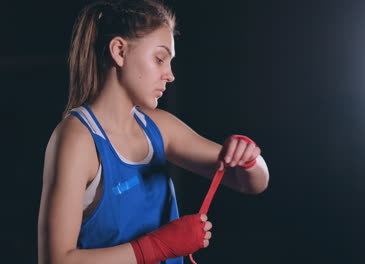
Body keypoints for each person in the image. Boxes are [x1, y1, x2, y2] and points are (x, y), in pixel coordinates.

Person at [37, 0, 270, 263]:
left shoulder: (158, 127)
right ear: (119, 51)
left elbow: (251, 182)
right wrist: (156, 247)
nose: (169, 75)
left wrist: (249, 158)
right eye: (159, 59)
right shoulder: (77, 139)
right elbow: (55, 260)